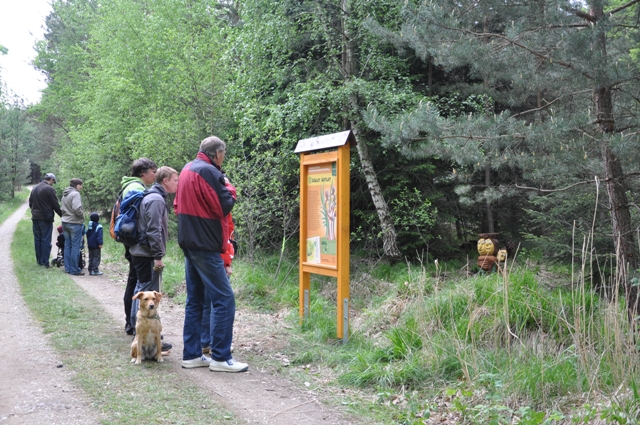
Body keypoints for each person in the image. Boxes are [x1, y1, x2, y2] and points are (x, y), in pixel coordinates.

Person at [175, 136, 248, 371]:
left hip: (189, 241)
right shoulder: (208, 171)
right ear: (218, 153)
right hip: (205, 243)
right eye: (223, 154)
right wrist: (230, 187)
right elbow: (223, 204)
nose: (223, 158)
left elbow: (177, 205)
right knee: (224, 299)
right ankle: (221, 357)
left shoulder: (187, 169)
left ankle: (192, 355)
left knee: (195, 301)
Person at [129, 166, 179, 353]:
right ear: (165, 181)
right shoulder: (157, 199)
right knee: (145, 293)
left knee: (140, 290)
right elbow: (153, 230)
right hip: (147, 254)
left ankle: (142, 333)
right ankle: (141, 335)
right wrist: (158, 256)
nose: (177, 183)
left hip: (140, 251)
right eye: (175, 180)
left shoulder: (151, 196)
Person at [120, 158, 157, 335]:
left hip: (129, 240)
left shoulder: (129, 185)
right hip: (136, 242)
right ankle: (135, 325)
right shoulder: (136, 188)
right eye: (152, 170)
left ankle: (130, 322)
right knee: (139, 285)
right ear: (143, 173)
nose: (155, 174)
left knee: (133, 282)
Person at [201, 176, 237, 356]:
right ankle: (217, 344)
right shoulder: (222, 208)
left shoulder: (204, 203)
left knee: (206, 301)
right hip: (218, 258)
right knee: (221, 301)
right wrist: (227, 262)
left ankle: (204, 342)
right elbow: (225, 236)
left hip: (203, 255)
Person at [28, 173, 62, 267]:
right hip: (45, 218)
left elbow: (30, 203)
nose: (53, 184)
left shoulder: (35, 188)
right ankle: (45, 262)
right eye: (53, 182)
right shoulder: (49, 189)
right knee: (46, 240)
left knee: (38, 240)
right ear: (51, 179)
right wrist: (62, 215)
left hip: (35, 217)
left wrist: (35, 211)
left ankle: (39, 261)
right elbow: (55, 204)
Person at [61, 178, 85, 276]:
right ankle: (74, 269)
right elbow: (76, 208)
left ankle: (67, 268)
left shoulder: (65, 194)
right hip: (74, 223)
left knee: (67, 245)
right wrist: (82, 216)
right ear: (76, 185)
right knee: (75, 246)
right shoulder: (75, 194)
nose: (81, 187)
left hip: (65, 222)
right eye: (80, 185)